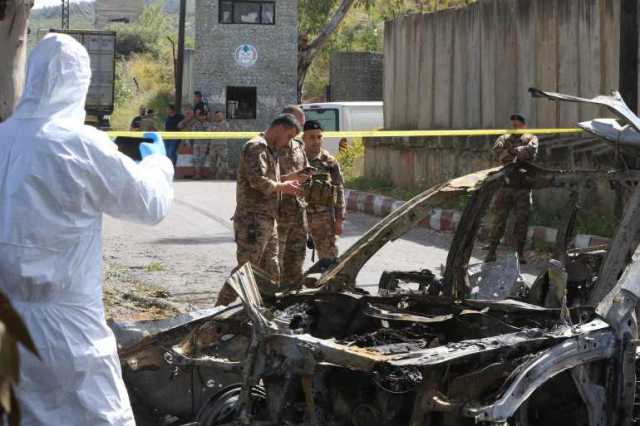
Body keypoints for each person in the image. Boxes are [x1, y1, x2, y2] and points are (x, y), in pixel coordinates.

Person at [0, 34, 174, 425]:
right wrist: (158, 164)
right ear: (80, 82)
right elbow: (150, 205)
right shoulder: (80, 145)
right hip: (67, 329)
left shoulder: (3, 138)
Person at [215, 114, 304, 306]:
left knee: (271, 270)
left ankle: (265, 311)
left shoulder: (271, 149)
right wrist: (283, 187)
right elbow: (257, 180)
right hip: (252, 220)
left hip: (268, 219)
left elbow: (271, 179)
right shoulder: (256, 147)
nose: (288, 142)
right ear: (279, 128)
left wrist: (289, 180)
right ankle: (217, 310)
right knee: (246, 270)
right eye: (288, 136)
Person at [484, 113, 539, 264]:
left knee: (522, 221)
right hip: (506, 185)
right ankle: (492, 251)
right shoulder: (503, 138)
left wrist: (510, 152)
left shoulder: (531, 138)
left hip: (523, 187)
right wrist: (515, 152)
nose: (514, 127)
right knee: (499, 220)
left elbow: (530, 153)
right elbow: (497, 154)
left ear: (524, 125)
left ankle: (519, 253)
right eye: (513, 124)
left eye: (517, 124)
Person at [277, 105, 311, 287]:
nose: (300, 130)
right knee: (275, 259)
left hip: (298, 211)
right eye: (298, 125)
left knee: (297, 257)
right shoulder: (267, 145)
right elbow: (261, 181)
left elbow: (303, 171)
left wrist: (306, 177)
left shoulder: (298, 145)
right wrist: (291, 178)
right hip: (277, 213)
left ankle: (293, 294)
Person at [303, 120, 346, 263]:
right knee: (293, 260)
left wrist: (339, 220)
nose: (316, 141)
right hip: (297, 218)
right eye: (311, 137)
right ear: (303, 138)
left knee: (329, 260)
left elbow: (339, 191)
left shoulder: (330, 162)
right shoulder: (296, 160)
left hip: (323, 219)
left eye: (319, 137)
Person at [179, 107, 210, 179]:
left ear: (205, 117)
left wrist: (208, 144)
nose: (202, 117)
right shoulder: (196, 124)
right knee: (195, 158)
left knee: (202, 158)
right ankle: (197, 174)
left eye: (203, 116)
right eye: (201, 116)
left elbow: (208, 134)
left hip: (204, 144)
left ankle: (200, 174)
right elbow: (193, 133)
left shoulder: (208, 124)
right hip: (196, 143)